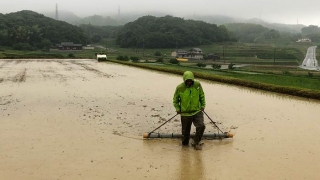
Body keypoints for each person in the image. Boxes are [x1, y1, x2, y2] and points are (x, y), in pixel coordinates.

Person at [173, 71, 206, 150]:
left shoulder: (197, 85)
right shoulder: (180, 87)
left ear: (192, 80)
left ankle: (196, 142)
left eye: (190, 81)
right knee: (185, 132)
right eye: (187, 81)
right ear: (184, 80)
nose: (189, 82)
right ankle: (185, 147)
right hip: (185, 113)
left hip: (197, 111)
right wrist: (177, 108)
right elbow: (175, 100)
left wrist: (203, 105)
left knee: (201, 126)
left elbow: (201, 95)